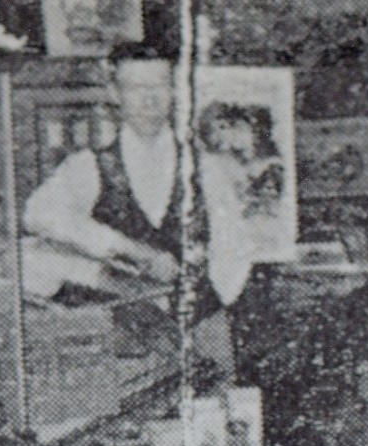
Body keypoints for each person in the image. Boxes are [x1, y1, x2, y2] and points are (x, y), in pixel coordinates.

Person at [24, 54, 233, 367]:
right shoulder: (89, 166)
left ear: (176, 90)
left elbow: (237, 246)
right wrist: (133, 251)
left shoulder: (207, 166)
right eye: (135, 87)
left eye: (159, 86)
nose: (149, 98)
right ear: (114, 94)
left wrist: (210, 304)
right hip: (127, 339)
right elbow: (38, 214)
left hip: (205, 328)